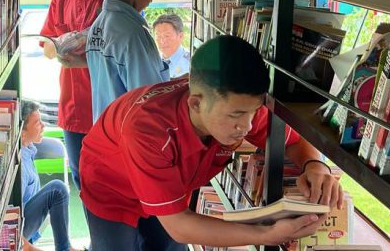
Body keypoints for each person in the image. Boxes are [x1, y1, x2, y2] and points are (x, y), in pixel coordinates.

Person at [79, 35, 344, 250]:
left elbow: (293, 142)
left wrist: (315, 167)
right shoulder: (149, 130)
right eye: (237, 116)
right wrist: (264, 235)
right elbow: (180, 226)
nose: (248, 126)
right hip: (111, 188)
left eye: (254, 112)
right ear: (196, 103)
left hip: (171, 189)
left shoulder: (237, 103)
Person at [40, 0, 112, 190]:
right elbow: (46, 42)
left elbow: (127, 55)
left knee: (112, 180)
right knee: (81, 177)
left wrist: (84, 59)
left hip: (108, 104)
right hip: (73, 105)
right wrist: (57, 50)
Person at [86, 0, 170, 122]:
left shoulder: (97, 26)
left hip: (105, 136)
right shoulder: (133, 33)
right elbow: (149, 104)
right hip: (130, 140)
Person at [20, 100, 83, 251]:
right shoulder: (20, 166)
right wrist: (29, 248)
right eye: (38, 123)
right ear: (22, 133)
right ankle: (64, 248)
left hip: (27, 220)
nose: (43, 126)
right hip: (17, 232)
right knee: (57, 189)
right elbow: (7, 220)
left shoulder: (28, 148)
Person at [153, 13, 191, 78]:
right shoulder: (153, 63)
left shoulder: (191, 63)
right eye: (158, 36)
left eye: (167, 36)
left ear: (180, 36)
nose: (162, 41)